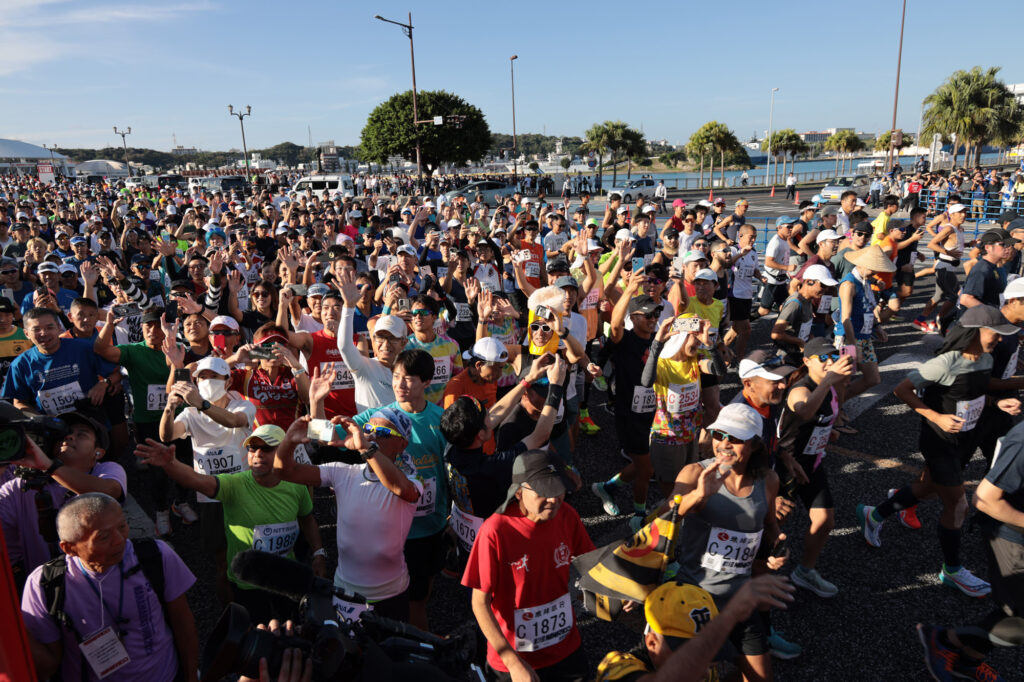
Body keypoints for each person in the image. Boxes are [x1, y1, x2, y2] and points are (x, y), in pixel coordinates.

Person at [857, 305, 1023, 598]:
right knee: (958, 505)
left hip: (964, 440)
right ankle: (952, 570)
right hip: (938, 441)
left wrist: (997, 403)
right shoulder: (945, 363)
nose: (1000, 339)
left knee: (928, 487)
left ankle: (874, 514)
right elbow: (902, 390)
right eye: (995, 333)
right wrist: (937, 417)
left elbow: (979, 390)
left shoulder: (985, 358)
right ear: (974, 333)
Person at [134, 424, 323, 624]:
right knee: (257, 633)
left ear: (284, 452)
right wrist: (170, 464)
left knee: (296, 627)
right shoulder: (234, 485)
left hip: (285, 574)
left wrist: (319, 553)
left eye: (267, 448)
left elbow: (307, 519)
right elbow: (196, 480)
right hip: (249, 581)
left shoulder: (296, 485)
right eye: (252, 448)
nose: (257, 454)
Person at [20, 492, 199, 682]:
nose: (120, 540)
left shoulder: (156, 556)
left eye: (122, 526)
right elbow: (49, 665)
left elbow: (183, 622)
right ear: (69, 548)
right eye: (104, 537)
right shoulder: (45, 585)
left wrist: (191, 677)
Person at [667, 403, 788, 682]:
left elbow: (770, 525)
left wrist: (779, 546)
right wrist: (698, 496)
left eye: (735, 438)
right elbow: (664, 518)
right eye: (719, 434)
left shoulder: (768, 480)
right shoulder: (694, 473)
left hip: (740, 598)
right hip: (695, 597)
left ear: (754, 445)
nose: (724, 443)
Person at [274, 409, 422, 622]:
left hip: (390, 595)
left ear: (402, 445)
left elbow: (400, 488)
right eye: (368, 428)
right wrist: (289, 441)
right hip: (345, 591)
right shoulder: (343, 472)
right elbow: (283, 471)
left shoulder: (413, 481)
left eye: (382, 432)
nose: (372, 435)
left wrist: (365, 447)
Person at [462, 450, 596, 682]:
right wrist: (513, 663)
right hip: (514, 660)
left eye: (558, 489)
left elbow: (593, 565)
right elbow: (479, 603)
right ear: (519, 492)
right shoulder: (495, 531)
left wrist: (620, 590)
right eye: (544, 491)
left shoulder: (567, 515)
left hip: (565, 648)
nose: (553, 499)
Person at [916, 419, 1024, 682]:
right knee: (1019, 616)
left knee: (1016, 612)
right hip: (1011, 536)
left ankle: (968, 660)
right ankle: (944, 639)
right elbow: (985, 500)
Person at [349, 348, 448, 631]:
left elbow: (451, 471)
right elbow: (329, 437)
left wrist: (453, 518)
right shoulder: (378, 419)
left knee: (420, 594)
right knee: (391, 599)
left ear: (426, 382)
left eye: (408, 378)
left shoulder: (441, 420)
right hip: (389, 525)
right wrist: (316, 402)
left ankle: (414, 642)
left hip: (430, 526)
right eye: (395, 376)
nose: (399, 384)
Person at [0, 408, 126, 583]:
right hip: (47, 590)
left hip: (103, 582)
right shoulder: (19, 487)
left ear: (98, 452)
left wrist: (49, 466)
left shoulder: (106, 470)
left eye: (82, 434)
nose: (70, 437)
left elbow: (108, 492)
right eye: (65, 433)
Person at [595, 576, 796, 682]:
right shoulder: (616, 669)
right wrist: (728, 616)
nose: (706, 668)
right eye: (689, 650)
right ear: (652, 642)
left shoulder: (701, 668)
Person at [776, 337, 854, 598]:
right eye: (823, 358)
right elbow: (805, 412)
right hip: (786, 466)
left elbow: (823, 418)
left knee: (825, 520)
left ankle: (805, 571)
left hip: (812, 463)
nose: (829, 361)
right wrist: (830, 380)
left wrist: (828, 432)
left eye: (832, 356)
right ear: (807, 361)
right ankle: (754, 575)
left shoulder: (830, 387)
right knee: (774, 526)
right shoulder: (800, 389)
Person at [592, 275, 659, 524]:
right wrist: (629, 291)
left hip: (653, 411)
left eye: (655, 314)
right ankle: (638, 516)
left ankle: (607, 487)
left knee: (646, 463)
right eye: (647, 315)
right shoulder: (624, 339)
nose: (652, 319)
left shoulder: (657, 340)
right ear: (634, 317)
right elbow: (615, 325)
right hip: (629, 412)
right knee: (647, 468)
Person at [640, 315, 711, 497]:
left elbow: (719, 369)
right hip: (668, 437)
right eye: (694, 336)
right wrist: (657, 344)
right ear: (681, 336)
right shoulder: (662, 363)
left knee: (689, 485)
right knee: (672, 492)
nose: (698, 342)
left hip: (691, 435)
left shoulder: (695, 360)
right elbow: (646, 381)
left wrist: (709, 344)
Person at [2, 307, 118, 416]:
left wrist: (103, 384)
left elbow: (118, 373)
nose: (44, 333)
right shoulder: (20, 364)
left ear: (58, 327)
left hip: (91, 418)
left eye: (49, 327)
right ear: (26, 333)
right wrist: (41, 420)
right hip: (50, 426)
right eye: (36, 329)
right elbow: (19, 402)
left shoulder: (84, 348)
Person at [835, 245, 895, 401]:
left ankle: (840, 403)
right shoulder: (849, 285)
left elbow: (868, 307)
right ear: (862, 264)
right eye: (873, 268)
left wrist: (877, 327)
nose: (876, 272)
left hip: (864, 336)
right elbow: (845, 317)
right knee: (843, 380)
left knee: (873, 379)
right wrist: (853, 344)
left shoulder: (865, 280)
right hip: (848, 337)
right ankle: (837, 410)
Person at [960, 229, 1016, 309]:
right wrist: (993, 313)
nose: (1009, 248)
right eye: (1003, 244)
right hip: (978, 316)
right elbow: (966, 299)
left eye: (1011, 245)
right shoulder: (982, 269)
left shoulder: (996, 267)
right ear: (988, 247)